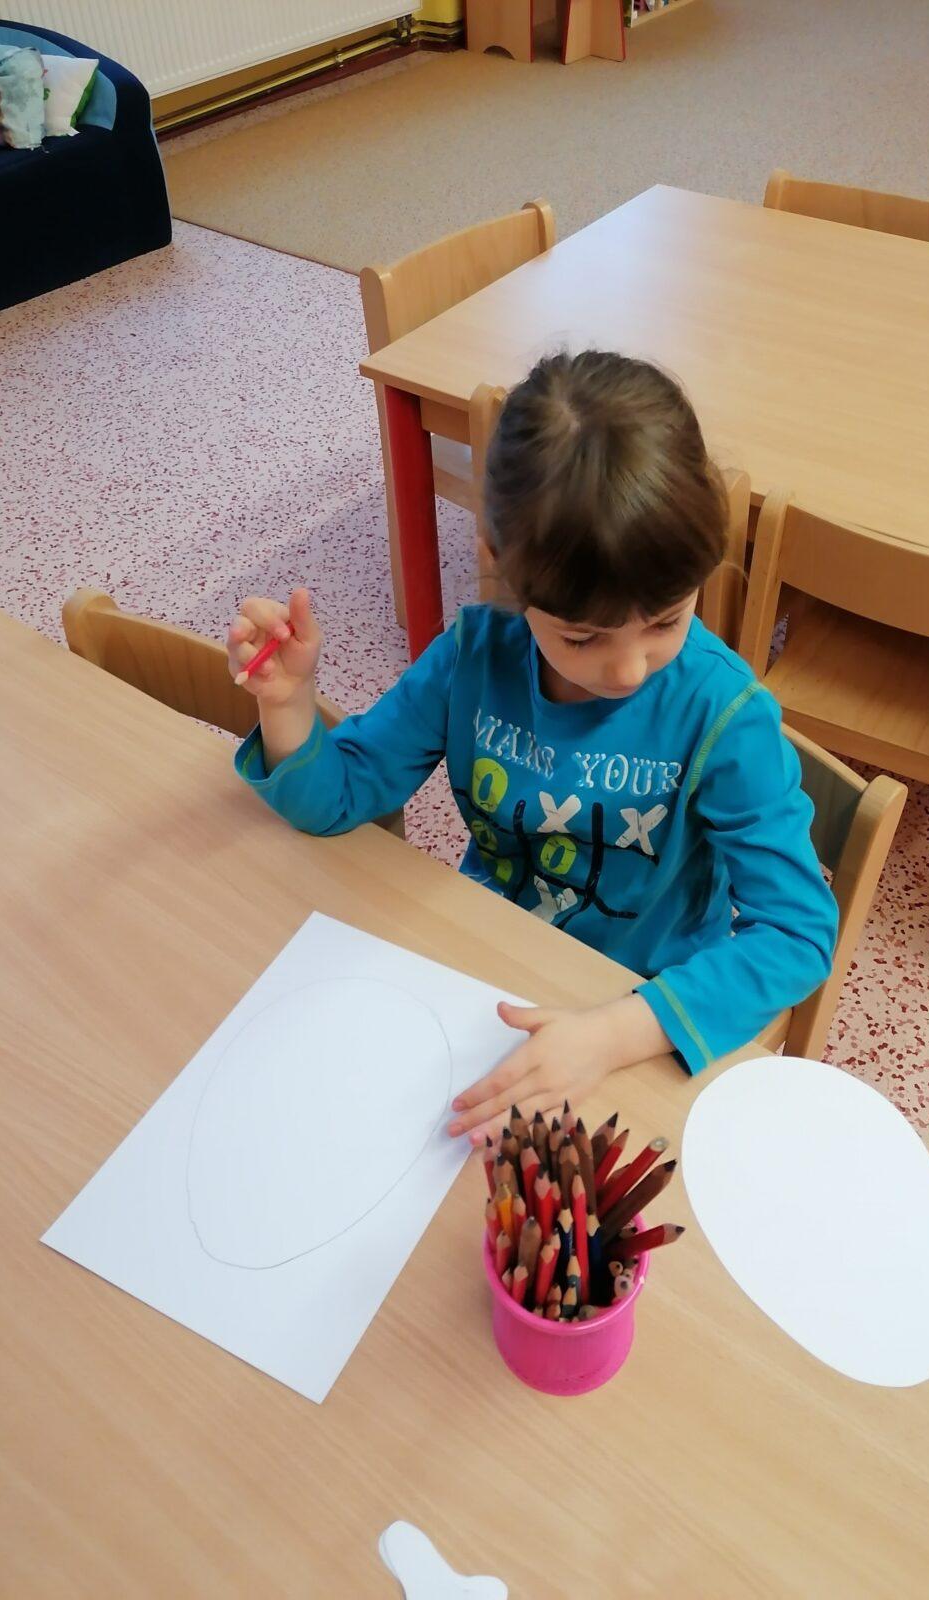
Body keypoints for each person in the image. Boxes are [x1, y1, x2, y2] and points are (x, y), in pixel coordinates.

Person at [227, 351, 837, 1141]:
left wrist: (614, 1032)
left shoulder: (725, 717)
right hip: (482, 970)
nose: (629, 669)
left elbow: (796, 933)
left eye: (666, 620)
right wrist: (289, 705)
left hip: (642, 1012)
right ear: (499, 565)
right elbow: (336, 799)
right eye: (582, 637)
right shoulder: (472, 656)